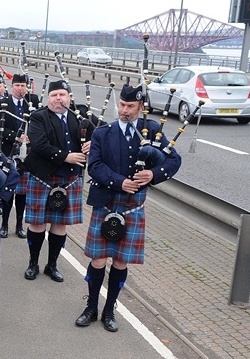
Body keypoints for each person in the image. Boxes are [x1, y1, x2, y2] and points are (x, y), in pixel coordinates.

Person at [74, 84, 181, 332]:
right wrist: (120, 181)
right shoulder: (103, 132)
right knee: (98, 259)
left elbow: (174, 159)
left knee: (121, 262)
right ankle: (91, 306)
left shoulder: (153, 130)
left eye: (130, 106)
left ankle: (110, 310)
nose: (125, 110)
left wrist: (152, 174)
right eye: (122, 105)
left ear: (140, 107)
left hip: (133, 207)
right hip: (107, 203)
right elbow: (95, 166)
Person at [22, 80, 94, 283]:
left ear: (69, 98)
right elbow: (39, 144)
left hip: (70, 179)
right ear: (48, 99)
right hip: (43, 177)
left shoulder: (79, 117)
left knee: (60, 225)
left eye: (62, 94)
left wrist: (92, 142)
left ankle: (52, 265)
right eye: (54, 95)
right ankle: (33, 263)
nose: (58, 99)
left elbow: (101, 132)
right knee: (37, 224)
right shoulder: (38, 117)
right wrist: (66, 156)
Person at [0, 74, 41, 239]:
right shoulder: (2, 104)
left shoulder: (31, 105)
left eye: (23, 85)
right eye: (17, 85)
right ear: (12, 87)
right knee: (8, 191)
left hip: (27, 156)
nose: (20, 88)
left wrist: (31, 137)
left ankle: (19, 226)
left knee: (22, 194)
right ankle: (4, 225)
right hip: (7, 153)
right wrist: (15, 136)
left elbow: (39, 126)